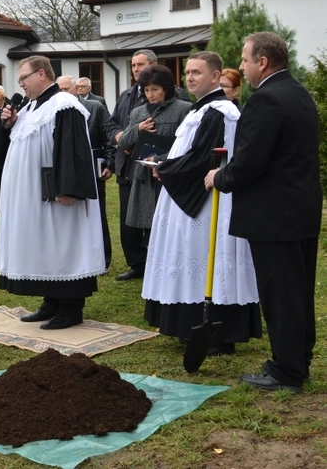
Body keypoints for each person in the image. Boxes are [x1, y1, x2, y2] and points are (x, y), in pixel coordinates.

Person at [204, 32, 321, 392]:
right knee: (297, 291)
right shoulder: (299, 93)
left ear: (263, 62)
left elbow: (251, 162)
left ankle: (286, 371)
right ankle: (296, 359)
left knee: (280, 294)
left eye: (244, 59)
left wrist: (219, 176)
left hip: (274, 216)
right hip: (300, 209)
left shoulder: (266, 99)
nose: (240, 66)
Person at [142, 51, 261, 356]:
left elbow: (204, 159)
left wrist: (165, 168)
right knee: (193, 258)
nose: (190, 77)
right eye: (189, 73)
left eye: (197, 72)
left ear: (216, 76)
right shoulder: (201, 110)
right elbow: (189, 153)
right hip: (191, 199)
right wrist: (167, 162)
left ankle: (220, 333)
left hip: (211, 203)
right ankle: (190, 324)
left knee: (210, 259)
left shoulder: (221, 112)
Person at [0, 56, 105, 330]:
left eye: (23, 77)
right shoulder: (31, 106)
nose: (20, 83)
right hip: (35, 197)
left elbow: (73, 148)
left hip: (58, 194)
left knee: (64, 244)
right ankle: (51, 301)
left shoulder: (64, 104)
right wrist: (10, 124)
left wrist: (68, 189)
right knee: (46, 245)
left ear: (41, 74)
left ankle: (71, 308)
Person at [117, 66, 192, 240]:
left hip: (169, 174)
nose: (150, 94)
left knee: (172, 228)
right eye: (147, 90)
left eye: (155, 89)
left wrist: (162, 159)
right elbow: (123, 142)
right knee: (149, 230)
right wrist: (138, 129)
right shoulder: (138, 112)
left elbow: (187, 144)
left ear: (166, 88)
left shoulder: (184, 109)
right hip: (144, 178)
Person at [105, 49, 154, 281]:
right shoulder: (126, 95)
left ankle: (156, 264)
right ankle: (136, 263)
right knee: (128, 220)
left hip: (152, 168)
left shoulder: (172, 95)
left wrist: (135, 141)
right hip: (127, 167)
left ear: (153, 65)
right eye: (133, 65)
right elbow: (112, 124)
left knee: (152, 218)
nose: (136, 69)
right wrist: (120, 137)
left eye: (140, 64)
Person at [58, 75, 116, 268]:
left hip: (92, 169)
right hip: (66, 171)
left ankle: (102, 260)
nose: (62, 93)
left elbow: (108, 137)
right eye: (59, 89)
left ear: (77, 89)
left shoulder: (95, 108)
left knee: (96, 214)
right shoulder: (54, 111)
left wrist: (110, 163)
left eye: (66, 89)